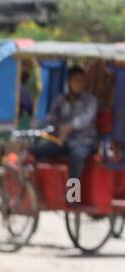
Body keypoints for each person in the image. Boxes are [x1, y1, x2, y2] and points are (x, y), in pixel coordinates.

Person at [31, 65, 98, 196]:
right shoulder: (61, 100)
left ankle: (73, 195)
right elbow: (51, 117)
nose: (78, 84)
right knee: (36, 151)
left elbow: (86, 119)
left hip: (84, 142)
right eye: (75, 80)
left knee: (77, 157)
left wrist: (69, 126)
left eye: (81, 81)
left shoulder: (90, 101)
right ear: (69, 82)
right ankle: (36, 189)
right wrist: (39, 125)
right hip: (63, 142)